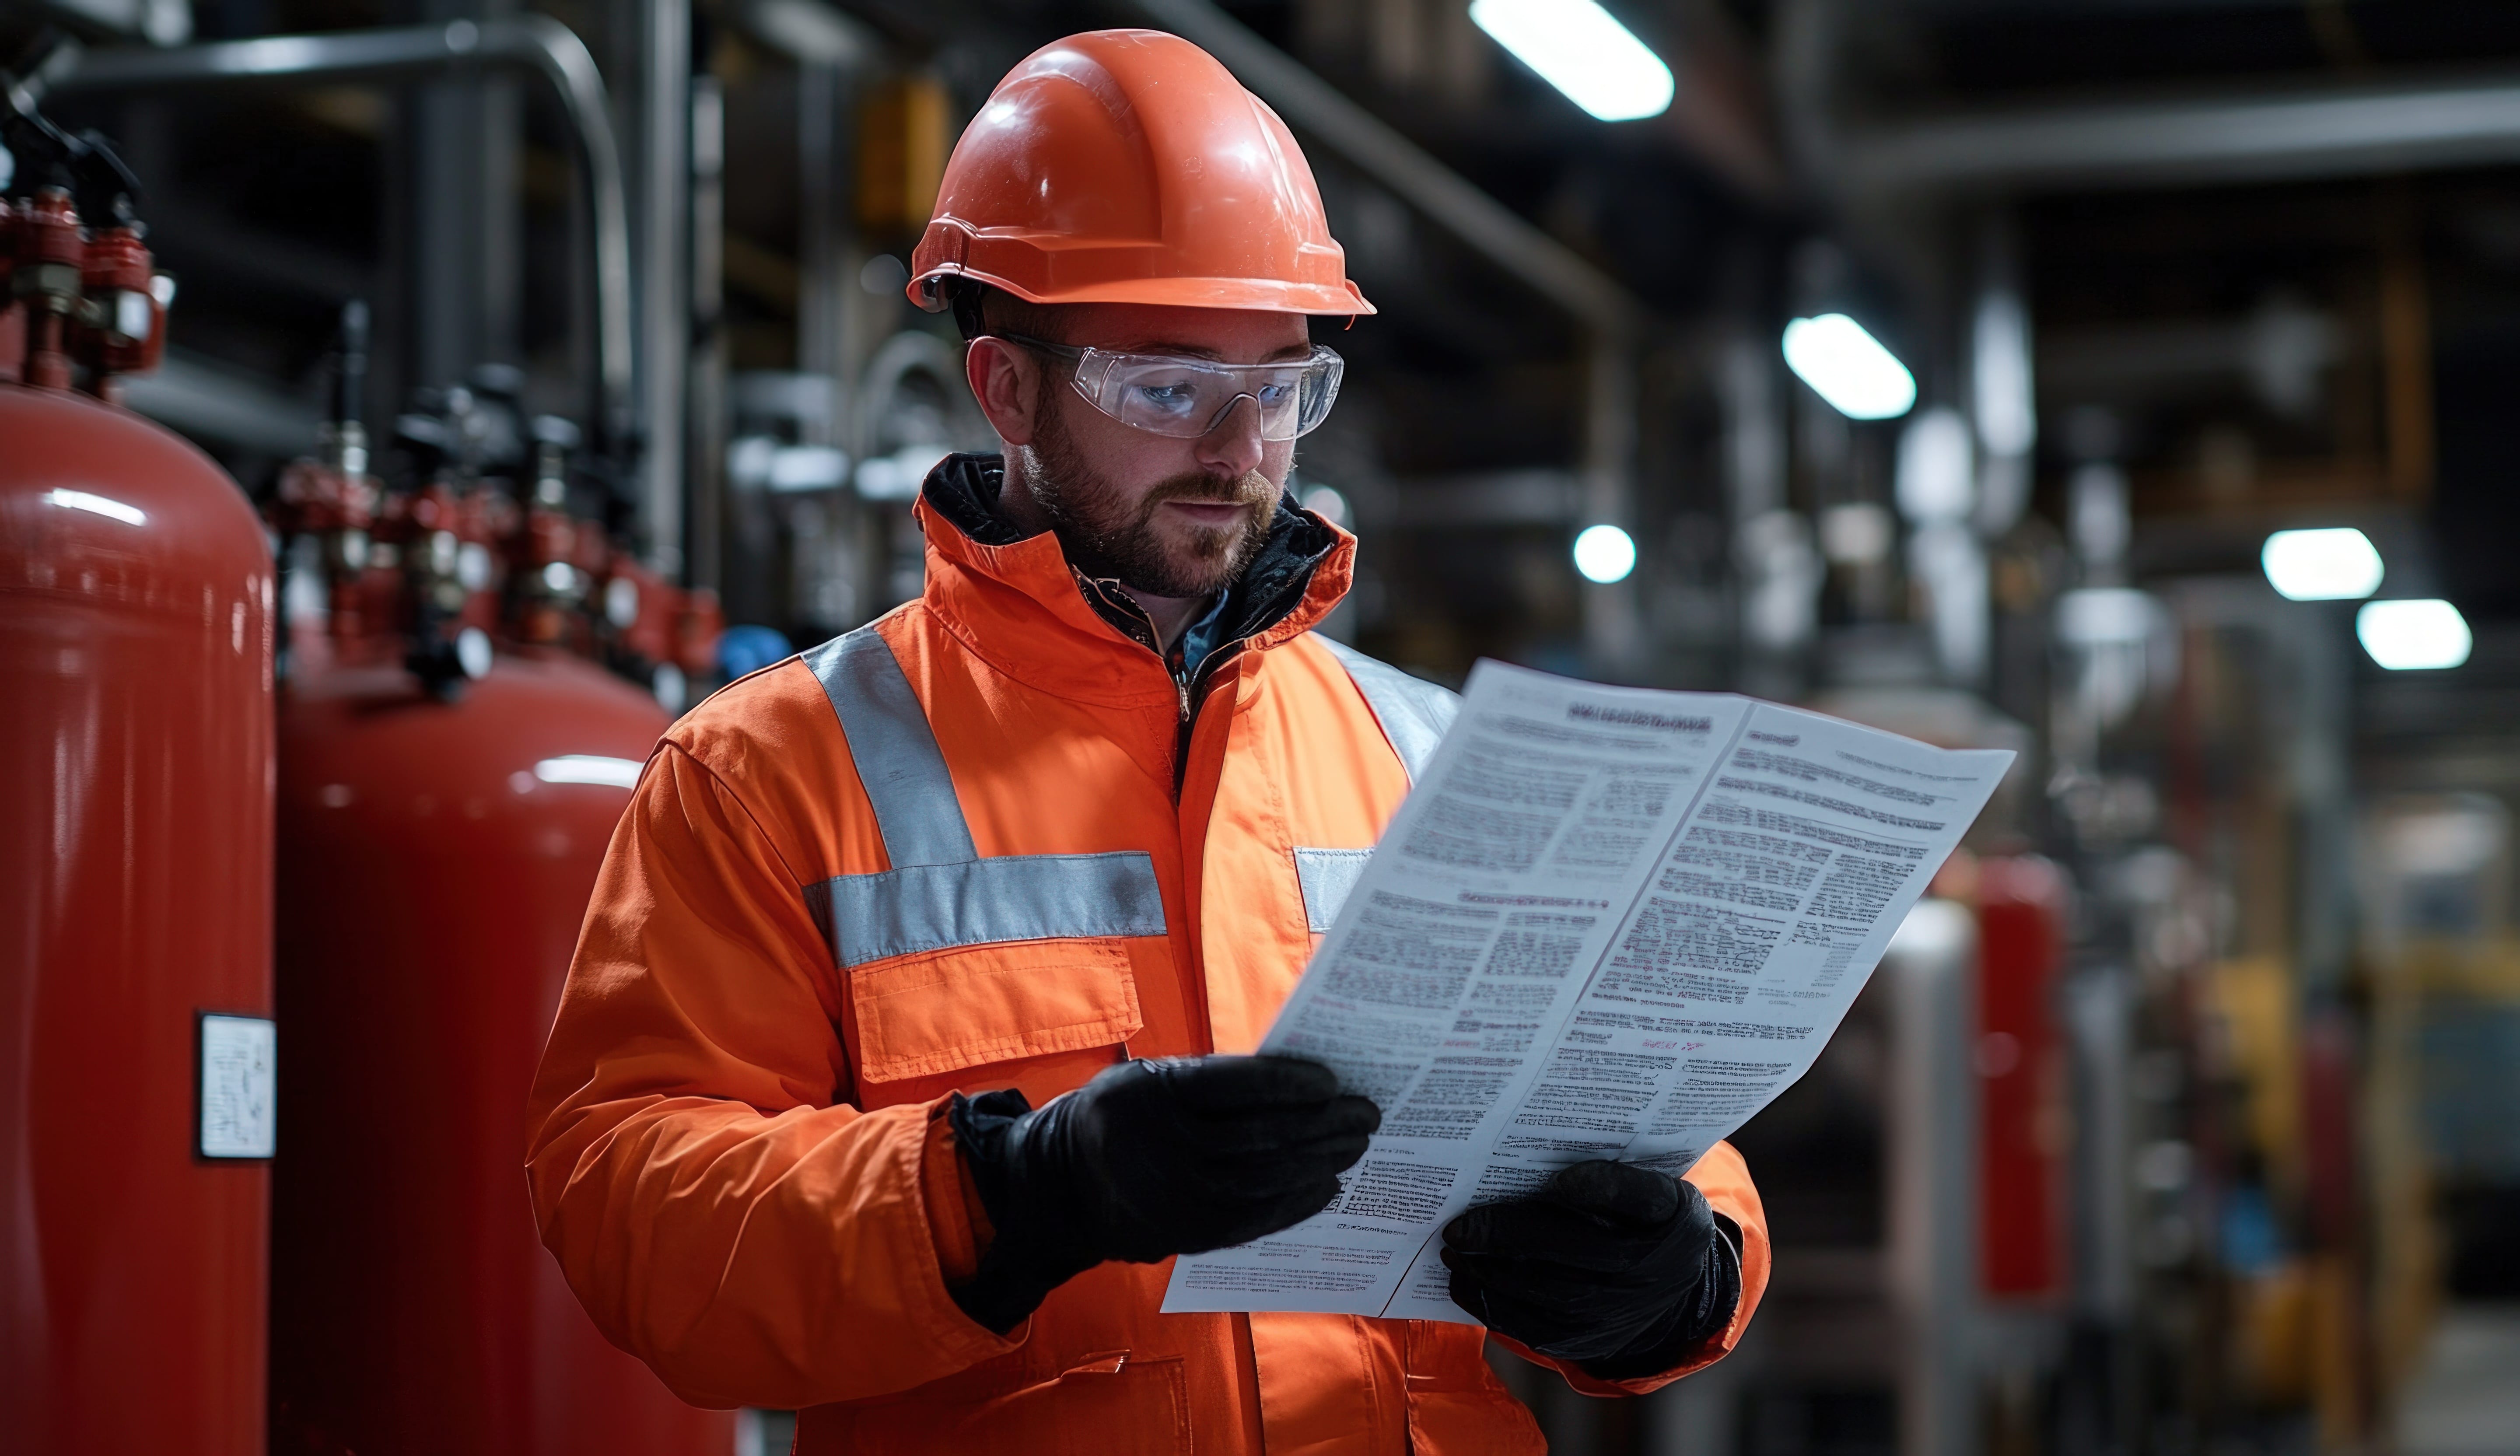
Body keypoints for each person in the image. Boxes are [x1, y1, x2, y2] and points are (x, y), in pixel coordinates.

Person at [526, 28, 1768, 1453]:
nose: (1238, 450)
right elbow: (639, 1218)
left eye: (1282, 387)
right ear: (1005, 390)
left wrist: (1684, 1270)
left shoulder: (1432, 755)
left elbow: (1663, 1111)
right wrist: (1018, 1193)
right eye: (1166, 388)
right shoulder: (770, 772)